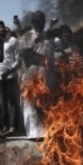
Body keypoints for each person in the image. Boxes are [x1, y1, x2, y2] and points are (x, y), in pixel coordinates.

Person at [17, 10, 56, 139]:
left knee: (45, 104)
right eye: (37, 21)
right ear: (33, 22)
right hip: (30, 75)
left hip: (46, 76)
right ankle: (33, 133)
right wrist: (34, 43)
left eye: (42, 21)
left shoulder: (48, 37)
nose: (40, 24)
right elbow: (21, 52)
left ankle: (45, 132)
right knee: (30, 104)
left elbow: (52, 55)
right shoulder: (26, 36)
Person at [0, 20, 22, 137]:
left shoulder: (13, 41)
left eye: (3, 27)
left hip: (10, 77)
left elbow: (18, 60)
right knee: (1, 103)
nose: (1, 30)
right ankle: (4, 126)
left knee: (11, 102)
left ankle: (13, 127)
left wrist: (8, 72)